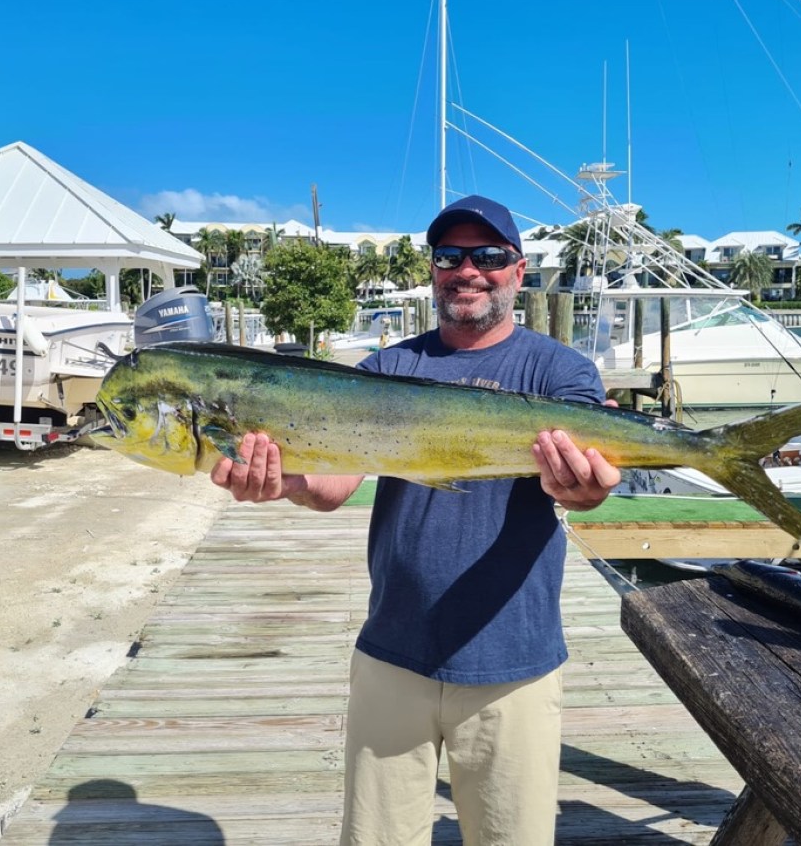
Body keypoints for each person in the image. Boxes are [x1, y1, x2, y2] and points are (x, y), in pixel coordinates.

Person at [210, 194, 621, 845]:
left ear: (518, 271)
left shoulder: (558, 370)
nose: (468, 271)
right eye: (450, 257)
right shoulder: (387, 368)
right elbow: (332, 487)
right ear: (433, 270)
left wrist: (585, 490)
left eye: (489, 256)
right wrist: (286, 481)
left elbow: (583, 489)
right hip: (393, 655)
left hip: (513, 662)